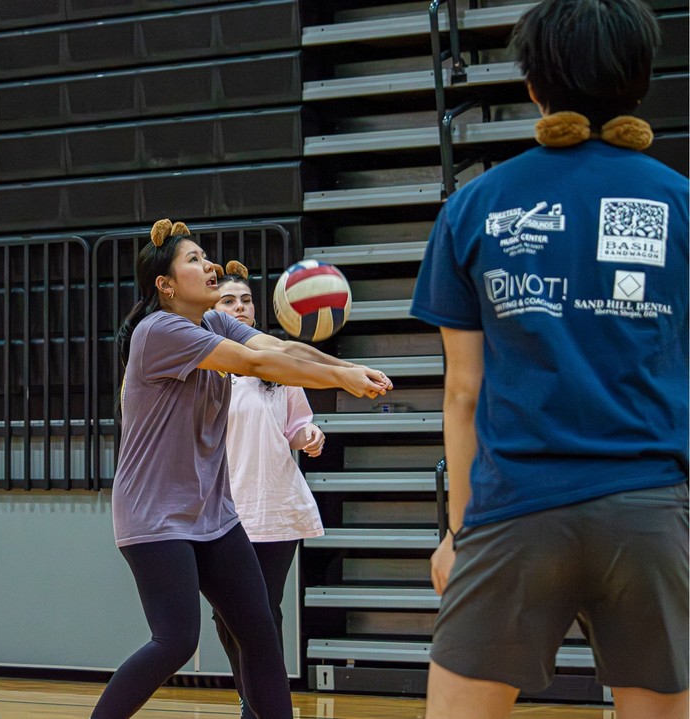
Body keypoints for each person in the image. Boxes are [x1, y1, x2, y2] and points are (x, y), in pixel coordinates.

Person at [410, 0, 689, 717]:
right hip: (651, 514)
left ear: (534, 87)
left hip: (515, 513)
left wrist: (457, 532)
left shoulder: (474, 208)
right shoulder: (682, 205)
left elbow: (463, 393)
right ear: (638, 84)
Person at [91, 219, 392, 718]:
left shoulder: (211, 322)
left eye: (206, 256)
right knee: (176, 639)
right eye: (194, 260)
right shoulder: (160, 331)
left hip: (213, 512)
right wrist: (340, 380)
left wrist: (342, 369)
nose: (209, 265)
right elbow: (253, 366)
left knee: (259, 632)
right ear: (165, 286)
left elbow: (276, 348)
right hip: (155, 516)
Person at [210, 260, 327, 719]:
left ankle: (261, 707)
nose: (239, 308)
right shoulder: (205, 364)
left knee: (262, 612)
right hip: (221, 512)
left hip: (275, 506)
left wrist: (310, 436)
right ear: (212, 311)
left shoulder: (277, 365)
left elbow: (299, 423)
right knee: (226, 617)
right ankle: (252, 696)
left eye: (246, 301)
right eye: (228, 301)